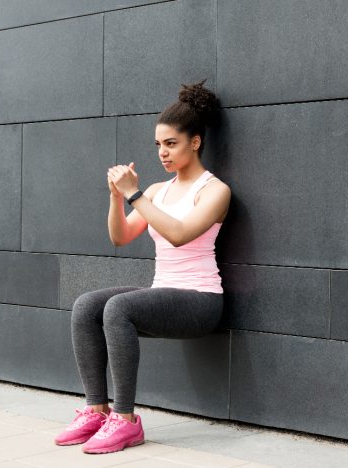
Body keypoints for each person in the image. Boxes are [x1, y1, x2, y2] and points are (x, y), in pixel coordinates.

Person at [54, 79, 231, 455]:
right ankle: (96, 408)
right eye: (158, 145)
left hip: (200, 301)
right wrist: (117, 199)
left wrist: (135, 193)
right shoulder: (156, 191)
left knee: (119, 308)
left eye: (171, 144)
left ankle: (126, 420)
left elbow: (180, 233)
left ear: (195, 142)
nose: (162, 153)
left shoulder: (215, 190)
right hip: (162, 292)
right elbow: (120, 237)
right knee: (87, 305)